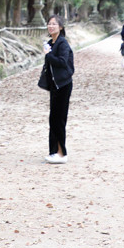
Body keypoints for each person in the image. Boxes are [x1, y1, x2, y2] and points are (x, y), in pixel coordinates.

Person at [42, 15, 74, 164]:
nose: (51, 26)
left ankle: (62, 154)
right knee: (53, 119)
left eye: (54, 24)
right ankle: (53, 151)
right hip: (55, 85)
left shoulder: (62, 43)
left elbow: (62, 62)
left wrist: (49, 56)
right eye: (49, 24)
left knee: (59, 119)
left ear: (60, 27)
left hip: (63, 85)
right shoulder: (50, 43)